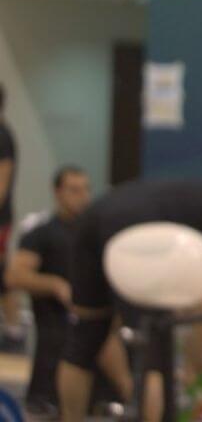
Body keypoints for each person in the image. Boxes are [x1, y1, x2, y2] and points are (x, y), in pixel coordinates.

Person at [56, 180, 202, 422]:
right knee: (154, 348)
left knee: (85, 336)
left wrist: (198, 365)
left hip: (95, 215)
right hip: (137, 230)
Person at [6, 167, 127, 416]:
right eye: (74, 189)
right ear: (58, 192)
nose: (82, 196)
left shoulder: (99, 234)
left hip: (100, 342)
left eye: (86, 189)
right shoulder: (41, 234)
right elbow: (14, 276)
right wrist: (55, 285)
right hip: (59, 341)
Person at [0, 84, 23, 352]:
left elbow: (2, 185)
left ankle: (15, 330)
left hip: (0, 218)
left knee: (3, 273)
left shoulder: (3, 136)